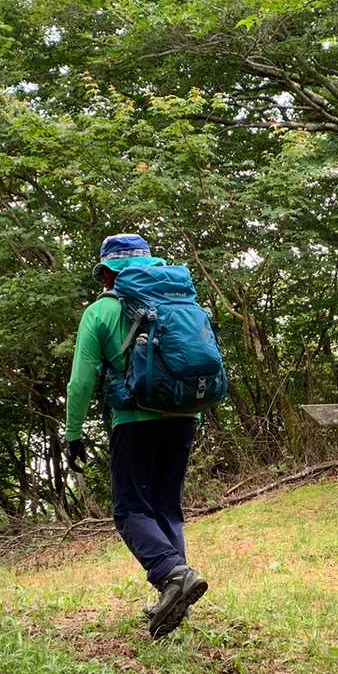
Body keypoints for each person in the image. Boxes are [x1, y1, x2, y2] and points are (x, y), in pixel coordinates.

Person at [63, 233, 208, 640]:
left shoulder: (100, 312)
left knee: (130, 510)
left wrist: (73, 434)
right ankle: (174, 592)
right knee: (166, 507)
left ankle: (173, 575)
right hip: (185, 414)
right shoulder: (180, 301)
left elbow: (81, 382)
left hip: (133, 418)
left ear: (109, 273)